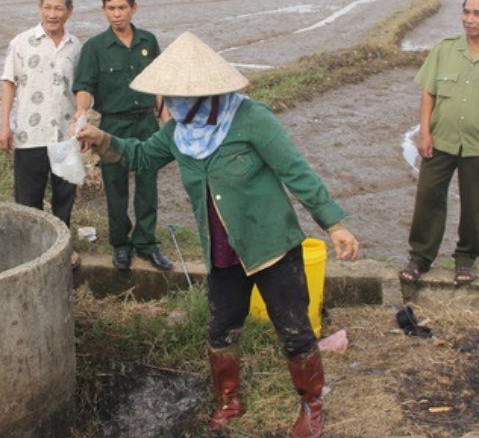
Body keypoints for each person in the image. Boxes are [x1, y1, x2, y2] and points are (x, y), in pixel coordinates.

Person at [77, 31, 360, 438]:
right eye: (168, 96)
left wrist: (335, 224)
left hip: (271, 246)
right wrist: (101, 139)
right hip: (222, 253)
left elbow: (295, 171)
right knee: (221, 329)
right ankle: (229, 400)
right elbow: (140, 156)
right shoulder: (179, 133)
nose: (170, 105)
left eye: (177, 96)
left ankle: (311, 404)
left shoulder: (251, 118)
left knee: (295, 330)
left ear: (205, 94)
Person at [399, 0, 479, 286]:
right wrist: (425, 134)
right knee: (428, 198)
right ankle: (420, 258)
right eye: (466, 11)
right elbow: (428, 93)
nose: (469, 19)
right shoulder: (445, 49)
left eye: (477, 13)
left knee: (475, 204)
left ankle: (466, 260)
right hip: (440, 142)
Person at [72, 0, 172, 271]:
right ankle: (121, 245)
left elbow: (159, 83)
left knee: (147, 185)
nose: (117, 14)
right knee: (115, 187)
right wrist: (81, 112)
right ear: (103, 11)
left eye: (122, 7)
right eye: (111, 8)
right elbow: (85, 87)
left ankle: (147, 243)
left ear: (133, 8)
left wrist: (164, 120)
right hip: (113, 125)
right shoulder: (94, 48)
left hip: (145, 122)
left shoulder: (148, 42)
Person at [0, 0, 82, 269]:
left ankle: (61, 248)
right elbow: (9, 83)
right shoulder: (21, 43)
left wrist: (82, 124)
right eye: (47, 7)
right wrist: (4, 126)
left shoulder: (76, 47)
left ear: (69, 11)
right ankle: (29, 252)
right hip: (29, 134)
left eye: (59, 8)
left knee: (64, 197)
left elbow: (82, 90)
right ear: (39, 8)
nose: (52, 14)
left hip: (64, 136)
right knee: (28, 199)